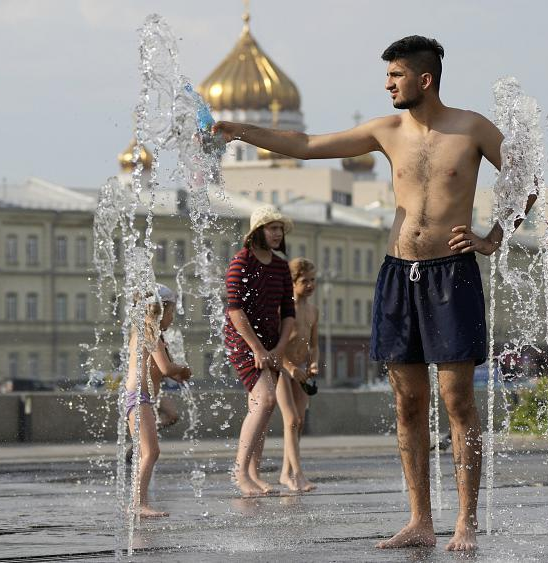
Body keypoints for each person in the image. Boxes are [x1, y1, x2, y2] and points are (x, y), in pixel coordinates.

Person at [214, 36, 530, 550]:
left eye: (396, 75)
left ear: (424, 79)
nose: (387, 84)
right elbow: (309, 146)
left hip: (452, 274)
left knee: (457, 401)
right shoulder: (386, 131)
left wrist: (494, 236)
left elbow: (526, 177)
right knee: (407, 404)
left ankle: (466, 520)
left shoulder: (471, 128)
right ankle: (420, 520)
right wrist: (237, 131)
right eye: (387, 75)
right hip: (397, 275)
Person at [224, 205, 296, 498]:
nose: (277, 233)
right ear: (257, 232)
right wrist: (255, 348)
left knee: (260, 409)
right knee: (265, 400)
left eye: (280, 228)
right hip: (243, 341)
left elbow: (289, 313)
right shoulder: (241, 262)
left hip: (272, 343)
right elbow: (235, 311)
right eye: (271, 228)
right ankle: (240, 472)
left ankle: (253, 473)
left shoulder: (280, 266)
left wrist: (279, 348)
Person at [123, 284, 192, 518]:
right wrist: (184, 370)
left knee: (147, 451)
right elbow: (166, 367)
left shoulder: (144, 330)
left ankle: (139, 501)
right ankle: (137, 503)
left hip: (142, 396)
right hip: (138, 396)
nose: (173, 318)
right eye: (172, 312)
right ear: (161, 310)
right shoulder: (150, 328)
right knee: (150, 452)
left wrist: (175, 372)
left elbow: (160, 369)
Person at [277, 257, 319, 493]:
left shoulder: (314, 310)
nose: (311, 285)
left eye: (314, 280)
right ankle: (299, 475)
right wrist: (290, 367)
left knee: (299, 422)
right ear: (292, 282)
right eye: (305, 281)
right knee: (291, 420)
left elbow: (314, 344)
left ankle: (286, 472)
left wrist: (313, 364)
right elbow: (275, 342)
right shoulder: (284, 308)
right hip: (282, 368)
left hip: (302, 370)